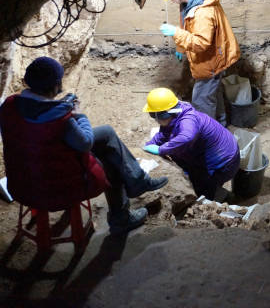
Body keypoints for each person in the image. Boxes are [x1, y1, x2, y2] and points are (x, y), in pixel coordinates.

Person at [0, 57, 168, 236]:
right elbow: (85, 143)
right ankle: (122, 216)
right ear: (56, 84)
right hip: (56, 188)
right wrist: (78, 115)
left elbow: (36, 131)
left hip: (21, 182)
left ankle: (138, 181)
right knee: (110, 161)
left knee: (106, 133)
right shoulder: (59, 118)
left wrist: (59, 107)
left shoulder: (9, 105)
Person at [157, 0, 240, 127]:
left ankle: (208, 134)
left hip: (211, 62)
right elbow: (186, 26)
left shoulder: (202, 12)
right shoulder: (191, 0)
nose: (172, 2)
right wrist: (181, 47)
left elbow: (201, 43)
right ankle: (220, 126)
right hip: (213, 56)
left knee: (201, 100)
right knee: (212, 94)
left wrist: (175, 33)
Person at [142, 87, 240, 201]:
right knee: (189, 168)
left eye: (153, 115)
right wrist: (151, 144)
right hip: (214, 153)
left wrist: (161, 149)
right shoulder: (175, 115)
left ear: (163, 114)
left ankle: (213, 201)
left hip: (225, 162)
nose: (155, 119)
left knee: (204, 188)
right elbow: (164, 133)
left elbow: (187, 137)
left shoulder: (188, 120)